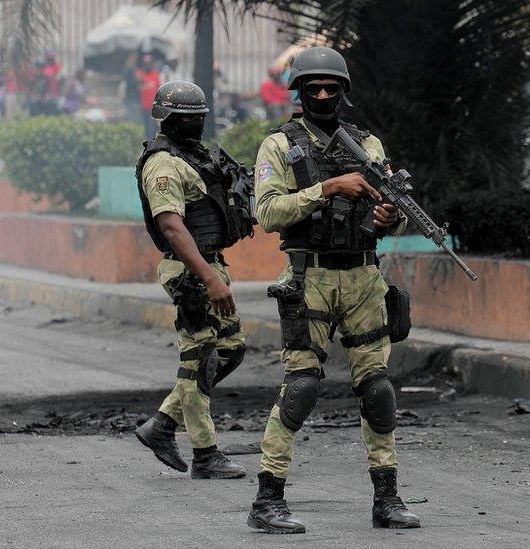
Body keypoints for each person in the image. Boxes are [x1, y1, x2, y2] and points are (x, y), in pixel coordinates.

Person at [246, 47, 421, 534]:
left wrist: (389, 216)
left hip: (364, 276)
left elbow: (390, 211)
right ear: (298, 94)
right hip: (310, 277)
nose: (323, 96)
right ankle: (268, 498)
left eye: (332, 88)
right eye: (313, 89)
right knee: (301, 386)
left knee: (378, 389)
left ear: (344, 92)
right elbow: (268, 214)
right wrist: (328, 188)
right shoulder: (278, 146)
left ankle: (386, 497)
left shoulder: (370, 145)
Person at [133, 81, 255, 480]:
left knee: (231, 350)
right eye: (187, 118)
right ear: (167, 119)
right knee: (199, 355)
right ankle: (205, 454)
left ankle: (163, 424)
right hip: (190, 269)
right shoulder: (162, 163)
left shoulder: (194, 156)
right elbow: (171, 226)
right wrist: (208, 278)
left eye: (199, 117)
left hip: (211, 265)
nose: (195, 124)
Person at [136, 54, 161, 138]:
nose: (147, 65)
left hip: (152, 107)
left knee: (151, 129)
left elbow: (158, 89)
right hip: (141, 107)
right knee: (142, 128)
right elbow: (136, 89)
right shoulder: (139, 74)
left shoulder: (155, 75)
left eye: (149, 63)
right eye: (145, 63)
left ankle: (151, 146)